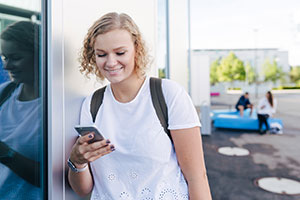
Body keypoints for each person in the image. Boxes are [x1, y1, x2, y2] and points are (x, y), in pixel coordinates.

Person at [68, 12, 212, 199]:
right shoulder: (92, 105)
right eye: (101, 54)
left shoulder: (168, 94)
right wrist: (77, 162)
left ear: (137, 49)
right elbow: (84, 190)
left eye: (120, 53)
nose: (111, 62)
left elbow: (196, 177)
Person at [0, 21, 42, 199]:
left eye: (16, 58)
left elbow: (59, 178)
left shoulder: (56, 108)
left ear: (39, 55)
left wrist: (6, 154)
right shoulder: (4, 92)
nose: (7, 66)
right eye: (4, 57)